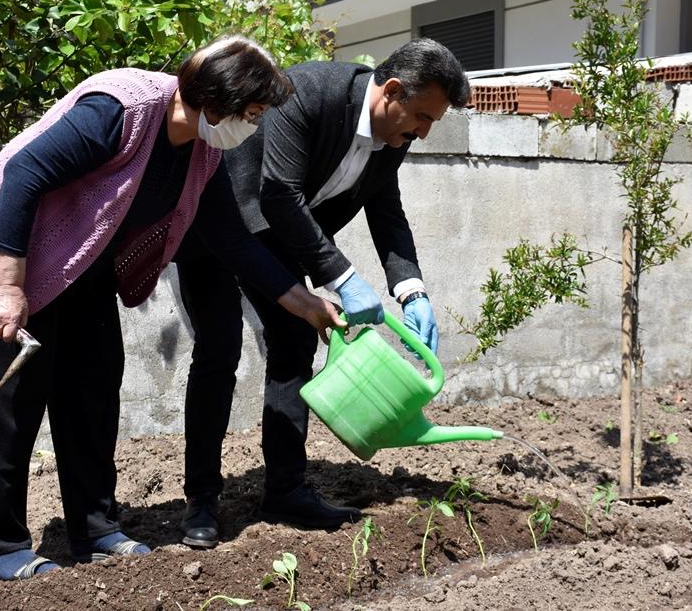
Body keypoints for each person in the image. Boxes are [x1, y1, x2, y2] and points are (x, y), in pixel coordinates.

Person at [0, 36, 345, 580]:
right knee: (14, 399)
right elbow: (24, 174)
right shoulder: (120, 110)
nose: (253, 128)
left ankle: (94, 530)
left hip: (83, 262)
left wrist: (305, 304)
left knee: (95, 388)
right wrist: (6, 286)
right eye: (252, 114)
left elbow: (234, 242)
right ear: (217, 100)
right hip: (12, 249)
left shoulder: (203, 153)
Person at [174, 38, 470, 548]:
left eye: (431, 124)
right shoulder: (308, 91)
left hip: (277, 236)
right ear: (392, 90)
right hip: (219, 228)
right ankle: (201, 498)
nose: (422, 132)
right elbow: (279, 193)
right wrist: (342, 277)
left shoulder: (390, 140)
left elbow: (387, 212)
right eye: (422, 117)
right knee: (219, 350)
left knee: (295, 337)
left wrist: (411, 289)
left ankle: (286, 489)